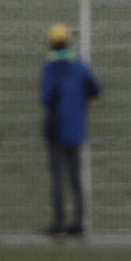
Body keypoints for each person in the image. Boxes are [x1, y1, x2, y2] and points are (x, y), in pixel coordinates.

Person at [39, 23, 101, 237]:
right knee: (76, 177)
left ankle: (58, 223)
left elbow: (46, 98)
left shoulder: (50, 68)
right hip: (76, 128)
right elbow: (95, 89)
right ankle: (79, 222)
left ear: (51, 43)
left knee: (57, 178)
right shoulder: (79, 65)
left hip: (56, 127)